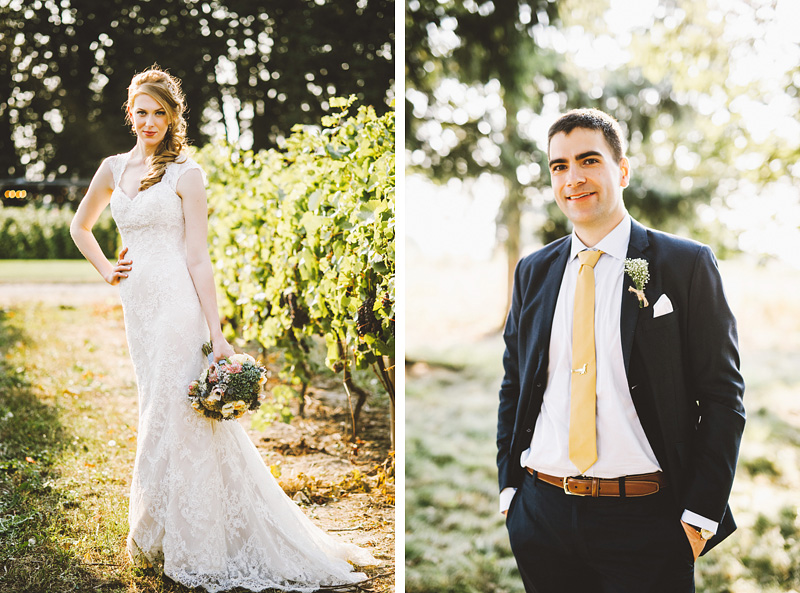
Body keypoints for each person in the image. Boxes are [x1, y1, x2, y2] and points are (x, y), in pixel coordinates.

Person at [70, 66, 376, 591]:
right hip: (138, 307)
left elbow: (198, 258)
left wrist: (217, 333)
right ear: (130, 114)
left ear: (173, 117)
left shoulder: (186, 174)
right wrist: (107, 269)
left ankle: (191, 539)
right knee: (154, 405)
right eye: (141, 112)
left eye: (159, 113)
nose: (149, 121)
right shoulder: (112, 168)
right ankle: (160, 530)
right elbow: (80, 225)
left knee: (179, 411)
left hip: (177, 305)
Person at [497, 108, 745, 593]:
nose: (573, 178)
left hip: (648, 521)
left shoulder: (686, 264)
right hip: (542, 516)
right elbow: (515, 382)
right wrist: (510, 490)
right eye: (559, 166)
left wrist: (700, 516)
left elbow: (723, 397)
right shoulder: (533, 271)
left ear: (623, 170)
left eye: (589, 160)